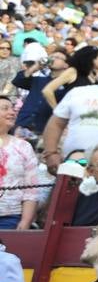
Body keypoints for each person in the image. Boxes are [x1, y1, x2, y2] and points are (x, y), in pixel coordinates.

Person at [0, 96, 40, 229]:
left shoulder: (23, 147)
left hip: (10, 218)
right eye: (5, 109)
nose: (12, 112)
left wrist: (25, 221)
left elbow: (31, 189)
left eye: (12, 108)